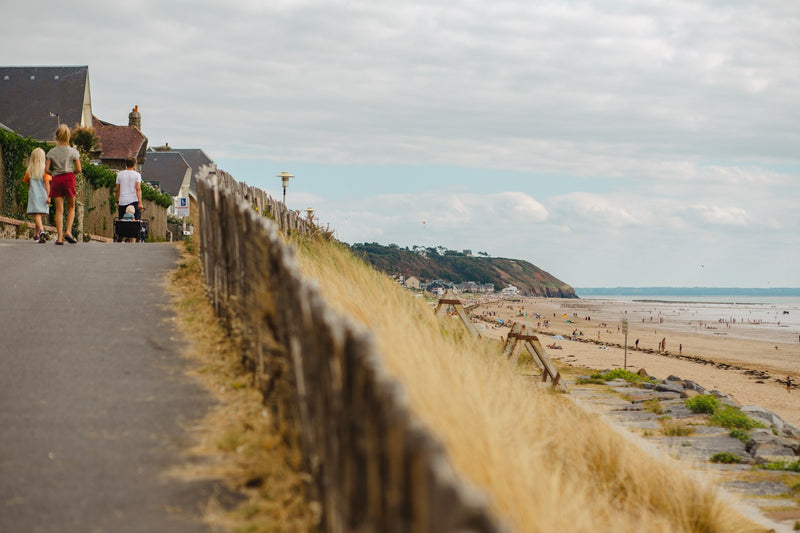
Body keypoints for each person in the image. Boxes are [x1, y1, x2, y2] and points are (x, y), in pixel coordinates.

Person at [45, 124, 81, 245]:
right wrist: (73, 172)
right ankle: (68, 231)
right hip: (69, 178)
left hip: (56, 179)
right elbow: (79, 169)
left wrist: (54, 172)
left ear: (56, 136)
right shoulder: (73, 151)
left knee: (59, 210)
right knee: (71, 207)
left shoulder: (51, 152)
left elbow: (46, 170)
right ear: (68, 136)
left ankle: (59, 238)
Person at [23, 147, 52, 243]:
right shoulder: (45, 171)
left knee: (37, 215)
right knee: (38, 215)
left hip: (34, 195)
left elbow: (28, 183)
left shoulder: (30, 170)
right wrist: (49, 196)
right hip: (43, 195)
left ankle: (41, 231)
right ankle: (37, 234)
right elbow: (47, 184)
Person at [115, 158, 143, 243]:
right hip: (133, 201)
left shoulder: (120, 174)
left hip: (122, 201)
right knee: (133, 224)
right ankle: (132, 243)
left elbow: (117, 189)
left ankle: (121, 239)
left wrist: (117, 201)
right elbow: (138, 189)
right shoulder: (137, 175)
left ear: (126, 164)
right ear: (134, 164)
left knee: (122, 222)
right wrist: (140, 203)